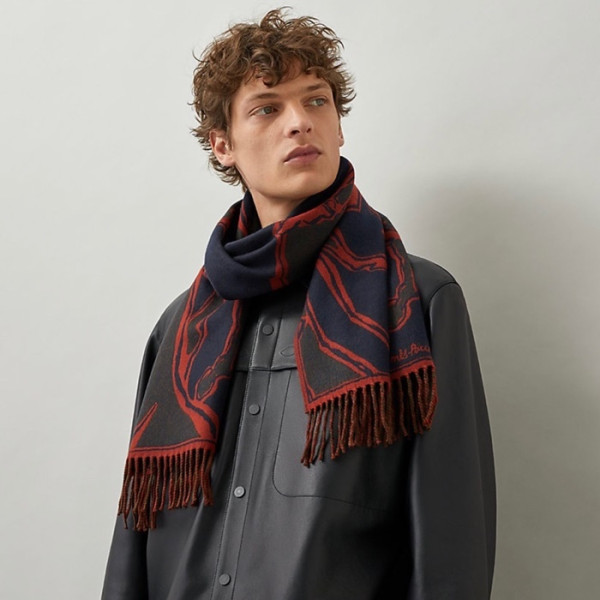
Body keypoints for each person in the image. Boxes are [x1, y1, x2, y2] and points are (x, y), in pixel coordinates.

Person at [102, 8, 495, 600]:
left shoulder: (417, 301)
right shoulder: (180, 329)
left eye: (316, 101)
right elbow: (134, 539)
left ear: (339, 127)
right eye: (267, 108)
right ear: (223, 145)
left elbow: (450, 550)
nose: (300, 123)